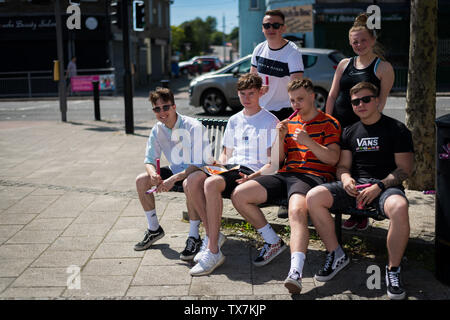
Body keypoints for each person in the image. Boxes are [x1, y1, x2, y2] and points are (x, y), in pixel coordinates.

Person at [231, 78, 341, 294]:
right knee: (240, 194)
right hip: (285, 174)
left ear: (312, 96)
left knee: (296, 210)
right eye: (292, 100)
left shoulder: (330, 123)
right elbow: (276, 163)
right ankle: (273, 242)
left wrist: (309, 141)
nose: (296, 104)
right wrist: (280, 139)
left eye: (300, 99)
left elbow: (333, 159)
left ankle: (295, 272)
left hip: (313, 176)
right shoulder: (290, 123)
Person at [306, 82, 414, 300]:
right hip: (356, 187)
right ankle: (336, 254)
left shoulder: (397, 129)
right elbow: (343, 166)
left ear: (376, 100)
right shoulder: (350, 131)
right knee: (313, 196)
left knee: (400, 207)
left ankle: (393, 270)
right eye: (355, 101)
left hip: (385, 187)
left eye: (366, 99)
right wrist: (345, 178)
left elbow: (405, 169)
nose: (360, 104)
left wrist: (380, 185)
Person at [186, 73, 279, 276]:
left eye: (251, 93)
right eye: (243, 94)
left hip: (253, 172)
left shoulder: (270, 121)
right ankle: (213, 238)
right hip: (231, 168)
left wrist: (254, 177)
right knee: (192, 180)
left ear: (260, 93)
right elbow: (226, 152)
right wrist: (217, 165)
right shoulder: (235, 120)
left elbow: (273, 162)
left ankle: (212, 249)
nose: (246, 98)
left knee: (211, 185)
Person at [325, 13, 395, 230]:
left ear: (373, 40)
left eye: (364, 40)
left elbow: (380, 103)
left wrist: (366, 127)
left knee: (360, 170)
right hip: (339, 126)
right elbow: (332, 95)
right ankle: (342, 207)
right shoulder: (344, 64)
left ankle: (361, 213)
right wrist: (328, 122)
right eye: (355, 41)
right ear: (349, 43)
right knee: (340, 168)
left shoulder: (383, 68)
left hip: (363, 129)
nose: (359, 45)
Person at [134, 87, 213, 261]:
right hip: (177, 170)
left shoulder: (193, 126)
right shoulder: (157, 129)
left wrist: (173, 179)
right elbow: (149, 159)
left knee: (188, 183)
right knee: (142, 180)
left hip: (200, 172)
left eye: (165, 107)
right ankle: (154, 229)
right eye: (157, 109)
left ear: (174, 106)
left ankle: (194, 236)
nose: (162, 112)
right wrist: (153, 174)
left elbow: (200, 163)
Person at [250, 9, 304, 121]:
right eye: (266, 25)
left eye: (275, 25)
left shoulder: (292, 52)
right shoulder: (259, 49)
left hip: (284, 112)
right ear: (262, 28)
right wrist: (258, 88)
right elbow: (251, 81)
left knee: (279, 139)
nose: (270, 29)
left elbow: (296, 87)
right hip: (261, 110)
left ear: (283, 28)